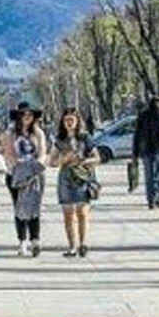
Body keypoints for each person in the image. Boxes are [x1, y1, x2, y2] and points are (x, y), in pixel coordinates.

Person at [50, 108, 100, 257]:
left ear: (78, 121)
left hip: (82, 178)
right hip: (65, 178)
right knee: (68, 215)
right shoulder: (59, 139)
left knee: (82, 213)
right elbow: (52, 162)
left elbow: (97, 158)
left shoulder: (85, 138)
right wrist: (63, 159)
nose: (69, 123)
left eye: (72, 120)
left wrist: (84, 160)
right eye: (66, 120)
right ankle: (72, 247)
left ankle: (83, 244)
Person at [7, 102, 46, 256]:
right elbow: (8, 154)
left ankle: (35, 239)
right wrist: (19, 171)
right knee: (20, 208)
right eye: (23, 114)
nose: (26, 117)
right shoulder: (11, 133)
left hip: (35, 174)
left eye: (29, 114)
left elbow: (43, 153)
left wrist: (36, 168)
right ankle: (22, 241)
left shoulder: (38, 133)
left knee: (34, 208)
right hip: (16, 174)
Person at [133, 95, 159, 209]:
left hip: (145, 151)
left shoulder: (142, 116)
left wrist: (135, 153)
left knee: (149, 176)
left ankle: (150, 200)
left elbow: (136, 135)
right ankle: (157, 196)